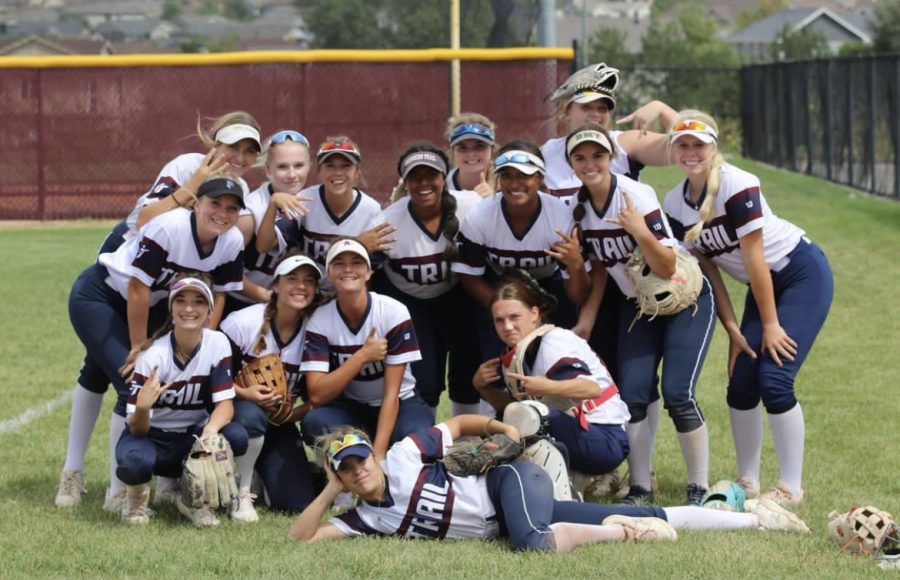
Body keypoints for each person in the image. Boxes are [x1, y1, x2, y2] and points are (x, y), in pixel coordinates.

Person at [288, 416, 810, 551]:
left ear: (372, 455)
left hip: (511, 482)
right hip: (518, 511)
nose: (360, 470)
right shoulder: (361, 517)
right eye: (348, 469)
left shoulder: (402, 457)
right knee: (657, 515)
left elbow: (461, 425)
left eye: (360, 459)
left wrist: (499, 428)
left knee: (532, 545)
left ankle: (621, 534)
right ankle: (754, 519)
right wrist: (331, 491)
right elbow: (301, 539)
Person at [662, 111, 834, 506]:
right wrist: (733, 329)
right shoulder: (674, 201)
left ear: (713, 147)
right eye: (682, 144)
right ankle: (748, 481)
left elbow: (755, 258)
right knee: (741, 380)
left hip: (799, 274)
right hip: (761, 288)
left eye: (698, 144)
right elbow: (708, 270)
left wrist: (770, 324)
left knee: (775, 377)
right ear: (673, 150)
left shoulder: (738, 184)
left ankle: (791, 487)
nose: (690, 152)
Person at [55, 176, 246, 511]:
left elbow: (218, 293)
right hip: (101, 295)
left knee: (97, 374)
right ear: (197, 203)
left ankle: (158, 484)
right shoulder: (169, 227)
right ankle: (109, 486)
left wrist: (206, 342)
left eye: (232, 208)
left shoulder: (230, 241)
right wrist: (139, 344)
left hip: (151, 303)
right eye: (215, 203)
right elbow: (138, 287)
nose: (222, 213)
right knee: (130, 379)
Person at [567, 124, 716, 505]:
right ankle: (639, 487)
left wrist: (641, 232)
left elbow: (667, 267)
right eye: (580, 157)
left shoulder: (634, 194)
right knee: (632, 396)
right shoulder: (577, 207)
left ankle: (698, 487)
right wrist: (587, 318)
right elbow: (602, 266)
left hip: (684, 300)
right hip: (639, 305)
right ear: (570, 162)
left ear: (611, 157)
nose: (590, 163)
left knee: (678, 394)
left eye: (598, 155)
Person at [115, 275, 249, 526]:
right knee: (134, 463)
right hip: (150, 437)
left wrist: (209, 433)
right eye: (181, 301)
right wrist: (143, 407)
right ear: (171, 309)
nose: (189, 309)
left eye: (198, 302)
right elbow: (136, 428)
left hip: (189, 439)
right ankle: (134, 500)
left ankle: (193, 497)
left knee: (236, 436)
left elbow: (225, 404)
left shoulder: (217, 343)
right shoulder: (153, 356)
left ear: (209, 310)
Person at [472, 271, 631, 483]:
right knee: (509, 421)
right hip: (576, 432)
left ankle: (560, 487)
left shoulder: (554, 342)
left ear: (535, 314)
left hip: (606, 438)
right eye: (499, 320)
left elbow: (591, 388)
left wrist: (547, 386)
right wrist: (483, 388)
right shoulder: (516, 353)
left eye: (514, 317)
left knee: (530, 417)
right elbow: (510, 409)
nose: (507, 326)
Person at [370, 144, 486, 417]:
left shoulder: (470, 205)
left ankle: (466, 446)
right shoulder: (387, 222)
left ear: (444, 177)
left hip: (458, 295)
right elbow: (366, 274)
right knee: (424, 381)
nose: (423, 183)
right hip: (410, 302)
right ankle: (425, 441)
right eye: (415, 176)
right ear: (405, 182)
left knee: (468, 370)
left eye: (431, 175)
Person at [452, 141, 588, 360]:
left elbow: (578, 294)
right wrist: (501, 308)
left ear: (540, 178)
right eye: (507, 175)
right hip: (498, 286)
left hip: (550, 287)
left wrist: (576, 264)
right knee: (497, 363)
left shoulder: (560, 217)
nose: (514, 184)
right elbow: (468, 275)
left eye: (524, 175)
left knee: (560, 354)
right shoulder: (480, 217)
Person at [299, 238, 433, 459]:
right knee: (316, 422)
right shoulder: (320, 320)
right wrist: (361, 356)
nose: (348, 269)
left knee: (415, 436)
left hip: (400, 402)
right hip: (354, 406)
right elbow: (317, 395)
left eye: (357, 263)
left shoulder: (392, 312)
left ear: (369, 273)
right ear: (329, 273)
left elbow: (391, 394)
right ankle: (340, 482)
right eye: (339, 263)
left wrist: (378, 455)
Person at [220, 253, 324, 519]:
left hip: (279, 422)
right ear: (275, 285)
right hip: (236, 415)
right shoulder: (242, 322)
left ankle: (260, 472)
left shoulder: (319, 330)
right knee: (252, 415)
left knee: (295, 503)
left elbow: (320, 394)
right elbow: (210, 378)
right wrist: (246, 393)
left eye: (308, 281)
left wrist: (293, 414)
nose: (301, 286)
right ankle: (241, 494)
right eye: (292, 279)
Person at [255, 135, 392, 283]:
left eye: (346, 165)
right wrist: (273, 204)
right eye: (330, 166)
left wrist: (355, 247)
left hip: (347, 287)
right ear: (319, 171)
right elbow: (264, 245)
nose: (337, 172)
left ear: (357, 171)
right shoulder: (306, 199)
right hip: (311, 288)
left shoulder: (371, 209)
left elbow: (371, 271)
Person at [541, 62, 677, 197]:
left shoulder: (623, 143)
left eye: (602, 109)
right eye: (586, 107)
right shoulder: (547, 152)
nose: (595, 114)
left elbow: (693, 145)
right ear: (566, 112)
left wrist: (661, 109)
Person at [226, 129, 313, 315]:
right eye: (282, 167)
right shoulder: (250, 212)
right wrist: (267, 297)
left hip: (287, 302)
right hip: (241, 303)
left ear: (309, 166)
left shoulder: (313, 201)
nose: (292, 174)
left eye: (298, 165)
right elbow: (225, 270)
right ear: (268, 169)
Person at [445, 113, 497, 198]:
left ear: (492, 149)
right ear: (452, 152)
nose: (471, 154)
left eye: (480, 146)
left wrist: (495, 200)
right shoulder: (442, 188)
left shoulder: (505, 184)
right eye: (462, 147)